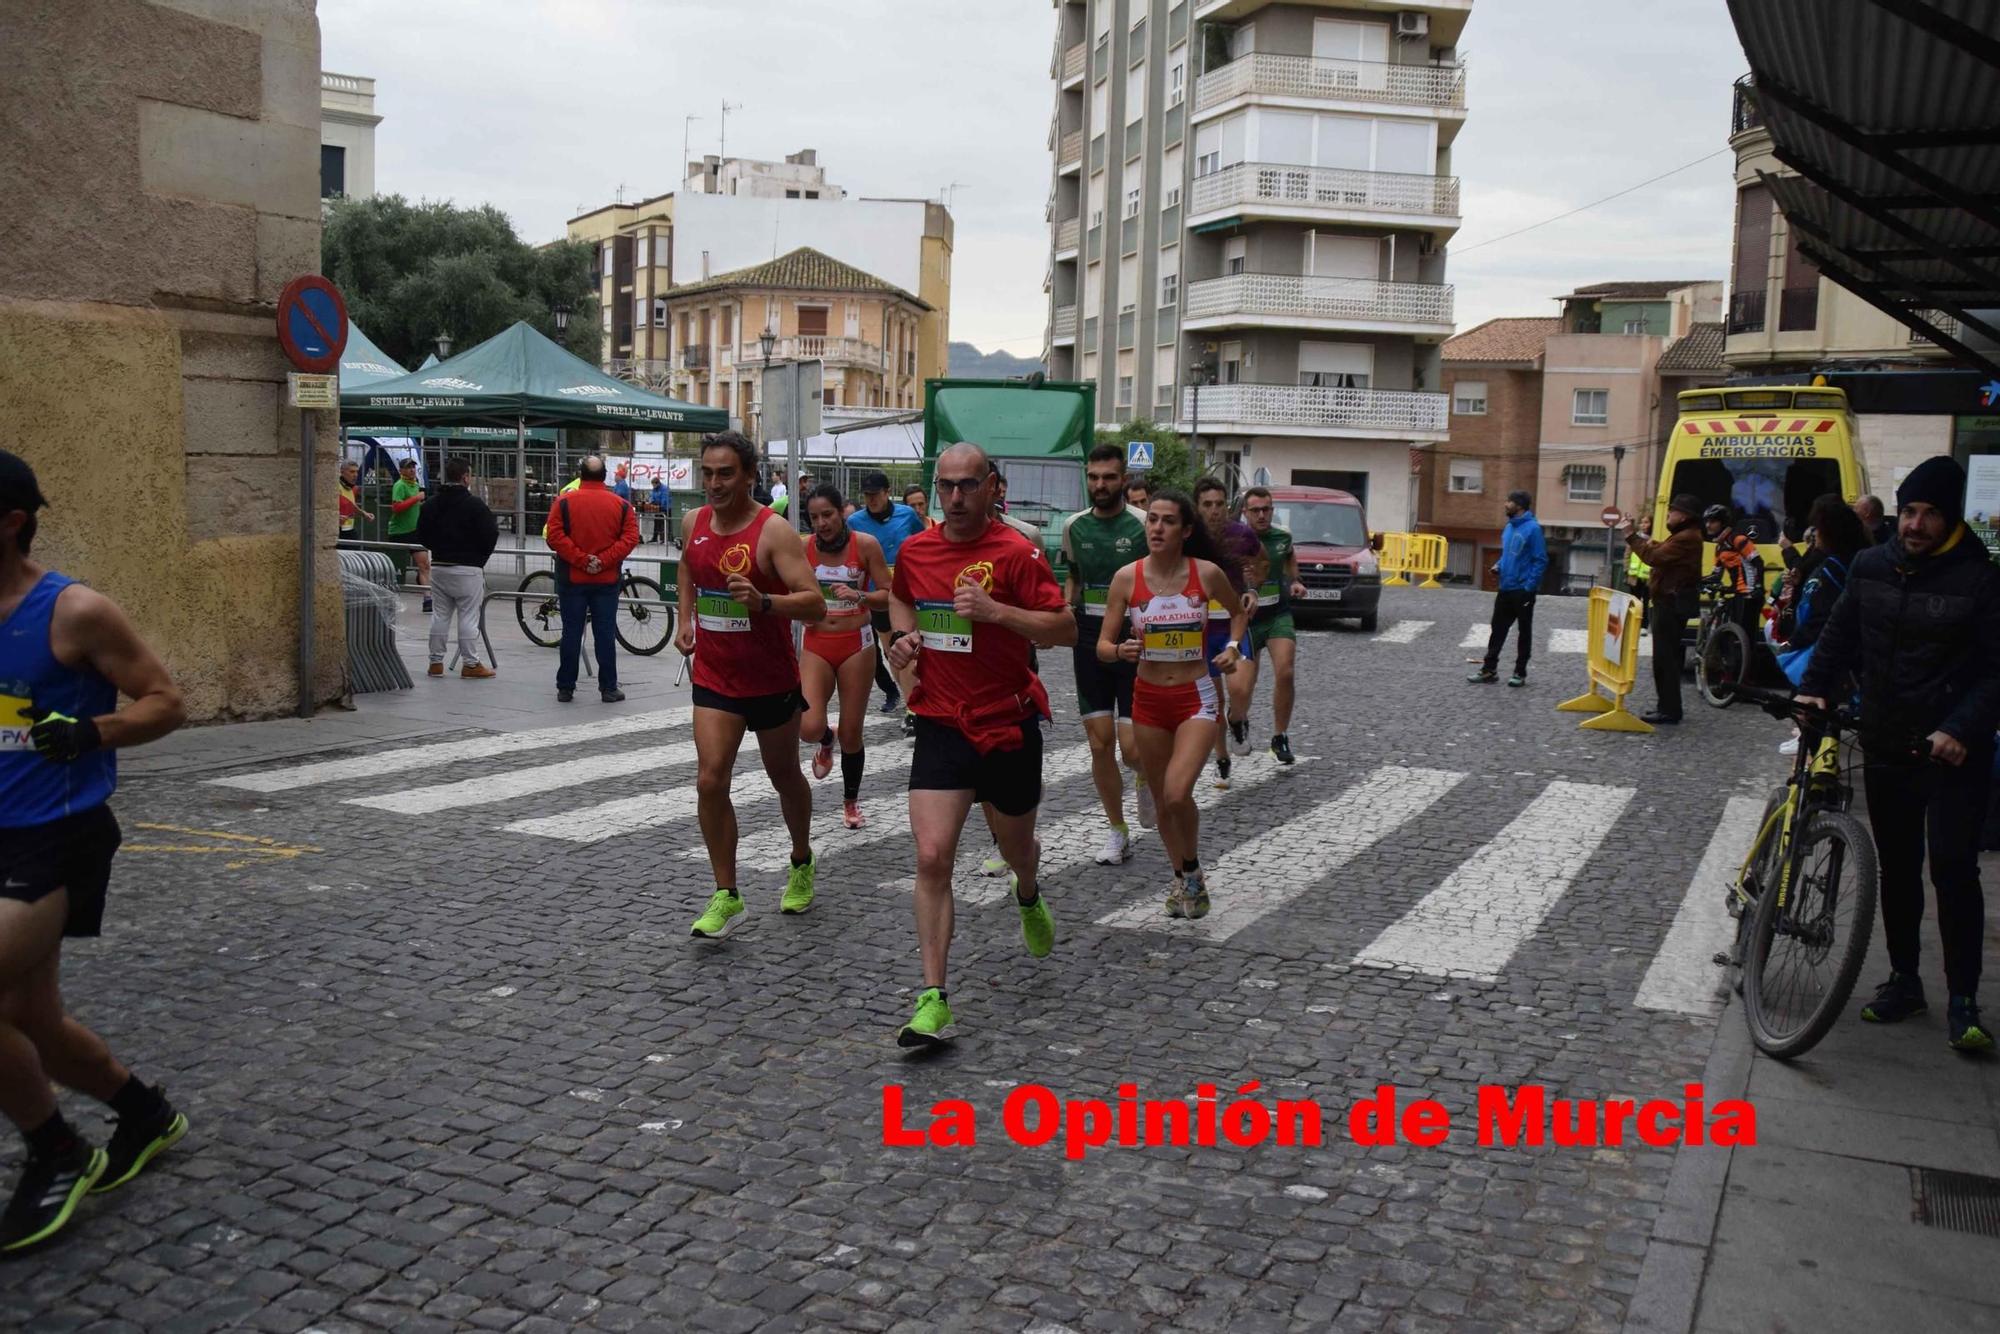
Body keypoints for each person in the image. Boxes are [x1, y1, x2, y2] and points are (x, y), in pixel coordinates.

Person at [0, 450, 189, 1252]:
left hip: (55, 838)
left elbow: (166, 701)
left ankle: (57, 1149)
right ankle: (142, 1112)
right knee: (30, 1017)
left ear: (11, 523)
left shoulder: (73, 612)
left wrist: (93, 731)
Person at [1799, 457, 2000, 1051]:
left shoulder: (1981, 580)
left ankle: (1963, 996)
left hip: (1952, 752)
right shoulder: (1871, 564)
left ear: (1951, 517)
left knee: (1953, 868)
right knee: (1899, 867)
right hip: (1888, 741)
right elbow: (1838, 637)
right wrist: (1813, 687)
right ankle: (1904, 979)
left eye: (1930, 513)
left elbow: (1995, 671)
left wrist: (1961, 727)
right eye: (1909, 510)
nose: (1915, 524)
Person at [884, 442, 1074, 1046]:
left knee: (1018, 847)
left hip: (1007, 724)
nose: (956, 498)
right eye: (946, 486)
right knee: (933, 856)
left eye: (968, 485)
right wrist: (903, 638)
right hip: (942, 722)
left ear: (992, 486)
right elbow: (901, 598)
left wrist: (996, 612)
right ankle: (935, 998)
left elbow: (1065, 628)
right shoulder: (917, 550)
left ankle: (1028, 890)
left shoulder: (1018, 554)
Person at [675, 431, 827, 938]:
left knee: (783, 775)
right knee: (709, 779)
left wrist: (764, 603)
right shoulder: (693, 521)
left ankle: (801, 859)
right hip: (716, 677)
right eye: (707, 473)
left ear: (748, 476)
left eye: (725, 474)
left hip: (769, 680)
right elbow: (687, 569)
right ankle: (727, 894)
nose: (714, 484)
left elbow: (815, 603)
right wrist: (685, 618)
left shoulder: (773, 531)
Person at [1099, 489, 1246, 919]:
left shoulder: (1207, 573)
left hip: (1194, 696)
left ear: (1185, 530)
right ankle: (1183, 877)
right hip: (1147, 700)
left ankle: (1193, 868)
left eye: (1166, 521)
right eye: (1151, 520)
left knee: (1179, 793)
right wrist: (1119, 650)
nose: (1157, 528)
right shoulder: (1127, 578)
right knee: (1164, 801)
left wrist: (1234, 647)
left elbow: (1238, 614)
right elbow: (1103, 645)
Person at [1062, 443, 1152, 864]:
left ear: (1123, 479)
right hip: (1089, 640)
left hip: (1136, 642)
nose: (1100, 485)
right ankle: (1117, 830)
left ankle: (1144, 775)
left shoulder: (1142, 525)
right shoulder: (1073, 527)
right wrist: (1063, 612)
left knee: (1132, 749)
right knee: (1100, 743)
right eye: (1094, 477)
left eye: (1109, 477)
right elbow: (1073, 580)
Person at [800, 484, 893, 831]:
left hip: (857, 642)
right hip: (817, 642)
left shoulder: (864, 545)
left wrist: (861, 596)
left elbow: (888, 594)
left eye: (828, 514)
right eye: (814, 517)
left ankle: (850, 802)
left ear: (842, 512)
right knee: (808, 726)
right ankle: (826, 739)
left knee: (853, 733)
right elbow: (788, 591)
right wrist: (801, 609)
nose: (822, 523)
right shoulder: (802, 548)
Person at [543, 454, 640, 704]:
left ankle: (566, 687)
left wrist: (581, 559)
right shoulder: (621, 506)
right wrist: (604, 560)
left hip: (572, 579)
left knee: (572, 631)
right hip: (606, 581)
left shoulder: (563, 502)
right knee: (605, 633)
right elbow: (630, 538)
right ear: (605, 475)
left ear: (580, 475)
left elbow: (554, 536)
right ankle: (608, 688)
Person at [1233, 486, 1309, 765]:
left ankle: (1280, 736)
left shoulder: (1281, 537)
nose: (1262, 515)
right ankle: (1238, 722)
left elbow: (1289, 558)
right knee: (1243, 686)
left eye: (1267, 509)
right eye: (1256, 510)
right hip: (1247, 620)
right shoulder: (1235, 539)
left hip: (1278, 613)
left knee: (1286, 671)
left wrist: (1297, 581)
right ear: (1245, 513)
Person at [846, 470, 928, 729]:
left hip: (906, 594)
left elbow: (920, 545)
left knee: (907, 648)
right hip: (878, 597)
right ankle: (910, 701)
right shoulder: (855, 522)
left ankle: (913, 708)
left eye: (875, 495)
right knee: (893, 652)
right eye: (867, 495)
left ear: (886, 492)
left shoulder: (907, 516)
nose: (871, 500)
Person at [1194, 478, 1259, 789]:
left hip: (1234, 623)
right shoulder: (1189, 537)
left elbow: (1262, 561)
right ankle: (1221, 758)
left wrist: (1253, 590)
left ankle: (1239, 719)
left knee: (1240, 689)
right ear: (1197, 508)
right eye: (1207, 504)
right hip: (1203, 631)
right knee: (1214, 701)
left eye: (1220, 504)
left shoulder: (1241, 534)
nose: (1214, 510)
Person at [1619, 495, 1703, 725]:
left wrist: (1630, 536)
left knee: (1665, 658)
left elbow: (1654, 557)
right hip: (1671, 601)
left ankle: (1669, 709)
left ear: (1683, 515)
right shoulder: (1685, 535)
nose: (1668, 515)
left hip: (1670, 603)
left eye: (1672, 511)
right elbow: (1661, 549)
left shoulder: (1686, 537)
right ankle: (1667, 706)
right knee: (1669, 658)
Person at [415, 457, 500, 680]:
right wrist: (480, 558)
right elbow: (491, 534)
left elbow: (422, 534)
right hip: (468, 567)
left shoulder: (431, 504)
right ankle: (470, 663)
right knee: (468, 617)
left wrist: (437, 548)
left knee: (440, 614)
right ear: (465, 477)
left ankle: (435, 662)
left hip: (441, 566)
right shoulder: (475, 505)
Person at [1468, 490, 1547, 688]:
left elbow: (1540, 560)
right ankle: (1489, 670)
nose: (1505, 504)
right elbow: (1508, 555)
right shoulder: (1509, 527)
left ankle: (1520, 673)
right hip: (1505, 588)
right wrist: (1499, 565)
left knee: (1524, 632)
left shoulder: (1533, 529)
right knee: (1497, 630)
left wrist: (1529, 586)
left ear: (1519, 506)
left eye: (1509, 501)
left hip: (1522, 591)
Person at [1702, 503, 1765, 638]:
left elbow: (1758, 563)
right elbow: (1716, 575)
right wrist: (1699, 582)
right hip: (1737, 592)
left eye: (1712, 521)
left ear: (1723, 523)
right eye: (1707, 521)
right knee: (1733, 634)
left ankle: (1746, 658)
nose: (1708, 525)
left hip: (1750, 593)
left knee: (1746, 635)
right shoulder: (1719, 547)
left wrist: (1759, 586)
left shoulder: (1738, 539)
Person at [389, 457, 432, 613]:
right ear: (401, 471)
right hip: (399, 532)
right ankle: (389, 596)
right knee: (392, 568)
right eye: (408, 468)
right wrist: (416, 499)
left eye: (413, 467)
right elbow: (396, 507)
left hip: (415, 532)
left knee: (424, 564)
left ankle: (427, 599)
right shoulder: (399, 486)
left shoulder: (415, 485)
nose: (412, 470)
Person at [337, 459, 372, 535]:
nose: (355, 475)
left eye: (357, 472)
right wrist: (336, 517)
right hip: (337, 530)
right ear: (342, 472)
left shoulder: (353, 488)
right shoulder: (335, 487)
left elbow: (351, 504)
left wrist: (363, 513)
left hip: (349, 528)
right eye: (352, 472)